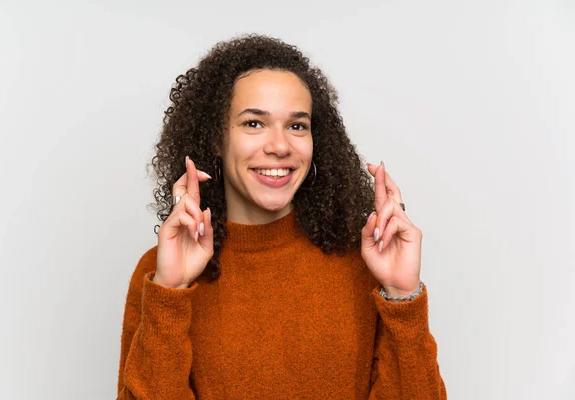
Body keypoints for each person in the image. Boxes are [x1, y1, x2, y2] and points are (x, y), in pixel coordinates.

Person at [117, 34, 447, 399]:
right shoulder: (161, 273)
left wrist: (403, 296)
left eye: (297, 125)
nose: (279, 146)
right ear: (215, 139)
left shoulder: (365, 261)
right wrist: (171, 293)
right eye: (253, 123)